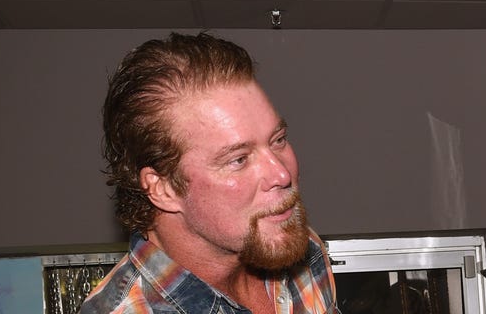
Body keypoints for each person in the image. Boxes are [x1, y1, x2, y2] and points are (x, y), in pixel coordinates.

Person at [79, 32, 339, 314]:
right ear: (163, 189)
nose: (281, 175)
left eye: (278, 140)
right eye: (238, 159)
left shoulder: (296, 245)